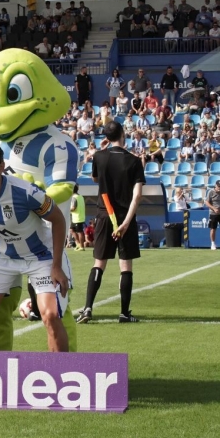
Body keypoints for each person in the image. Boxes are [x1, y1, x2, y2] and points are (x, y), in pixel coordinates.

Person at [0, 143, 69, 352]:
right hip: (1, 257)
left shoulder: (26, 192)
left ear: (1, 167)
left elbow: (58, 220)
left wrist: (56, 265)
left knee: (51, 315)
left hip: (40, 256)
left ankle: (60, 376)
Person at [78, 121, 145, 324]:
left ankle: (88, 308)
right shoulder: (134, 161)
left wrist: (102, 150)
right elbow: (138, 196)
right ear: (123, 134)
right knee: (125, 266)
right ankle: (124, 313)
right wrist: (125, 223)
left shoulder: (99, 156)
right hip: (125, 217)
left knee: (99, 263)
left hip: (104, 215)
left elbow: (96, 179)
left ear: (105, 137)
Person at [70, 184, 86, 251]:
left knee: (80, 232)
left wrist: (67, 209)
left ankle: (81, 246)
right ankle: (78, 244)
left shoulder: (74, 197)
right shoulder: (81, 197)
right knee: (71, 230)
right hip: (78, 217)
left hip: (77, 217)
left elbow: (73, 208)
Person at [205, 181, 220, 250]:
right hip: (213, 213)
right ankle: (213, 243)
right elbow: (207, 202)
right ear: (216, 186)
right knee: (213, 229)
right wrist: (214, 208)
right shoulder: (211, 192)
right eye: (218, 186)